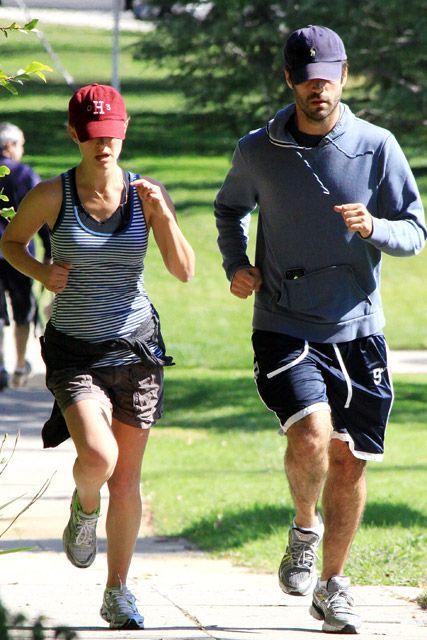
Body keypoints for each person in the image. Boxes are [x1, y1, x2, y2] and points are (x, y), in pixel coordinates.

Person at [214, 25, 426, 635]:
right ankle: (304, 528)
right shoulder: (258, 150)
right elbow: (229, 209)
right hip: (283, 321)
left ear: (344, 76)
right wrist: (238, 264)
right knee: (311, 431)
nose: (318, 89)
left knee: (351, 458)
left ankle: (333, 585)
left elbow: (415, 229)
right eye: (307, 79)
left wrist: (373, 228)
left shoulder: (377, 146)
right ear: (289, 80)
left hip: (359, 327)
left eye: (327, 78)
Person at [0, 83, 195, 630]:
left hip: (136, 348)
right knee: (99, 458)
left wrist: (166, 217)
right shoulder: (50, 195)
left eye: (111, 134)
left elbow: (184, 270)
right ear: (74, 135)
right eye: (92, 136)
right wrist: (42, 272)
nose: (103, 146)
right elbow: (10, 244)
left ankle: (118, 592)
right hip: (75, 352)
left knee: (127, 479)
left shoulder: (145, 194)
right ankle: (84, 511)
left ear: (124, 130)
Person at [0, 122, 51, 389]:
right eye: (20, 145)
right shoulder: (24, 174)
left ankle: (0, 365)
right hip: (17, 255)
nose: (22, 150)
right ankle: (19, 365)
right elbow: (42, 216)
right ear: (9, 146)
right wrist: (49, 252)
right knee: (22, 310)